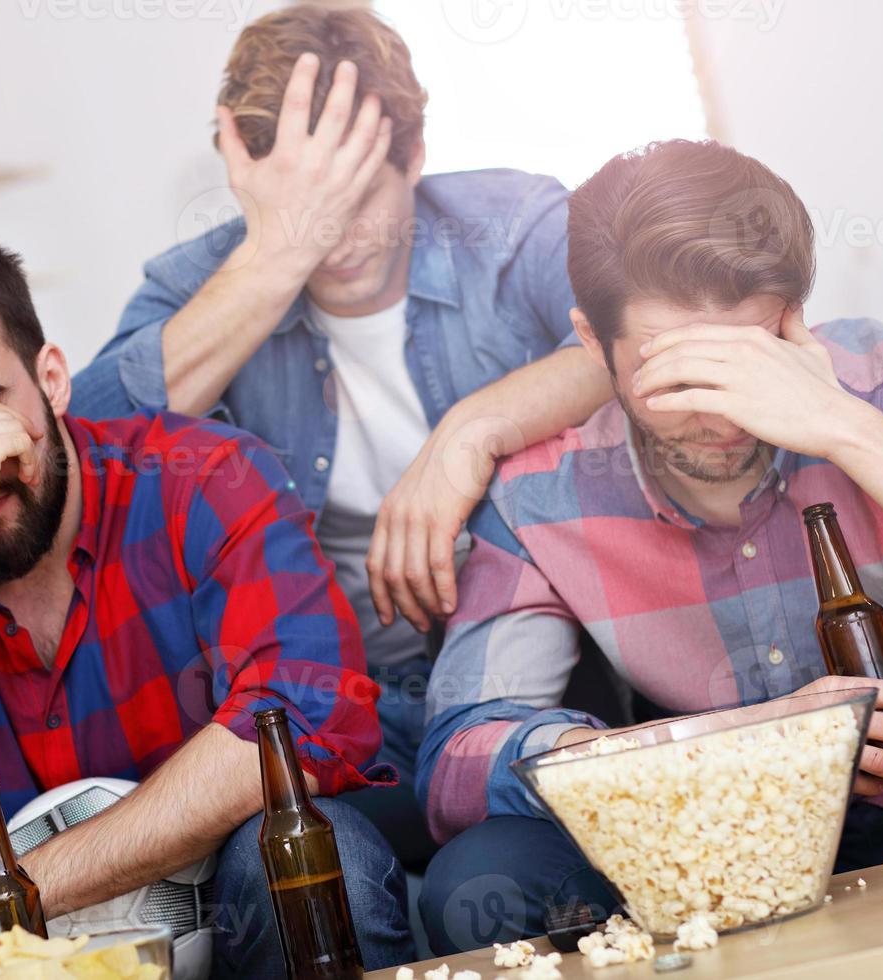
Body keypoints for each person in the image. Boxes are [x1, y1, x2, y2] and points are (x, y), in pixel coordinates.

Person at [0, 215, 415, 979]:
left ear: (52, 379)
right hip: (15, 967)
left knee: (328, 842)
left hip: (208, 913)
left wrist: (6, 900)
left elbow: (305, 718)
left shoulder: (202, 478)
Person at [415, 139, 883, 954]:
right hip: (711, 838)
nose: (724, 415)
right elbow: (459, 755)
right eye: (675, 375)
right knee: (480, 875)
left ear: (792, 319)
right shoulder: (541, 495)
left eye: (748, 358)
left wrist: (843, 426)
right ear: (593, 347)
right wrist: (744, 745)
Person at [71, 6, 611, 861]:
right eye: (301, 207)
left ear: (416, 156)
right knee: (313, 867)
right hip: (342, 719)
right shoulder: (206, 283)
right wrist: (275, 255)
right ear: (242, 177)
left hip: (545, 686)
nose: (336, 240)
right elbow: (87, 454)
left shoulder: (513, 224)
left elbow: (637, 336)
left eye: (357, 197)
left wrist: (468, 432)